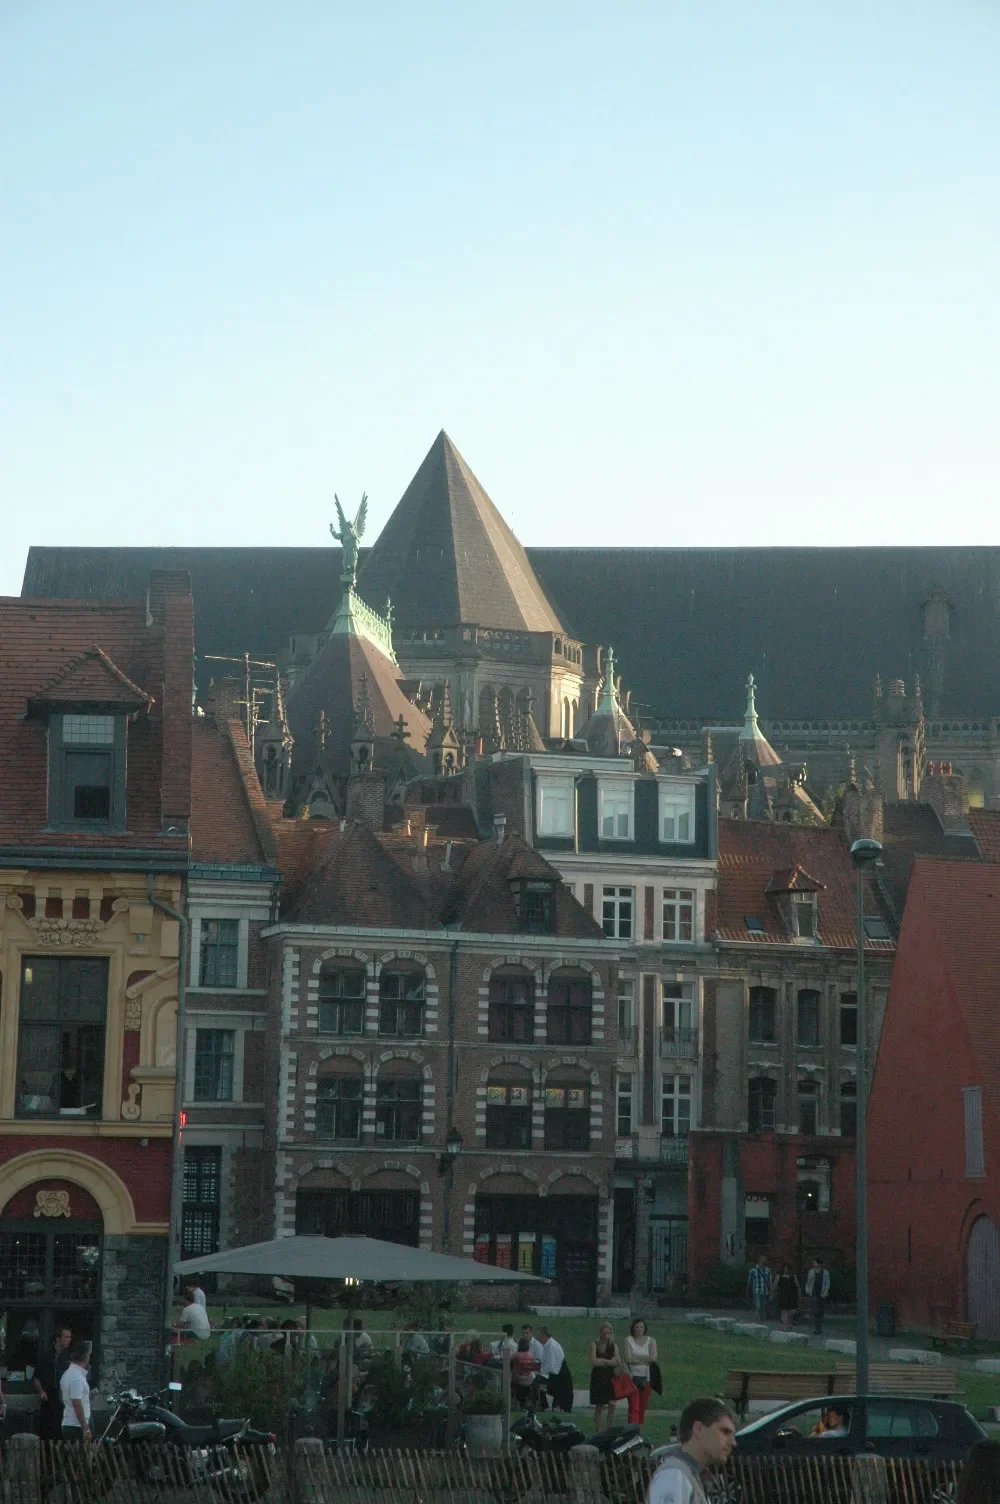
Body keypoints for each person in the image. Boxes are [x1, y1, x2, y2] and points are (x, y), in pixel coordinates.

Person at [647, 1397, 737, 1504]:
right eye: (725, 1432)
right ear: (699, 1429)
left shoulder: (689, 1474)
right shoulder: (674, 1476)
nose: (733, 1442)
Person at [34, 1325, 73, 1440]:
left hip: (64, 1398)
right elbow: (36, 1377)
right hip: (48, 1398)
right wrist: (41, 1392)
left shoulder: (69, 1357)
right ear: (58, 1338)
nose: (69, 1340)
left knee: (61, 1429)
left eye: (70, 1337)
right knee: (47, 1428)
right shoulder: (46, 1356)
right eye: (66, 1337)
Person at [623, 1317, 658, 1425]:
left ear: (645, 1328)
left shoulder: (651, 1340)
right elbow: (628, 1359)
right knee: (633, 1407)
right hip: (633, 1377)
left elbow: (652, 1358)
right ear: (633, 1328)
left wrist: (635, 1357)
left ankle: (639, 1429)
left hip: (646, 1378)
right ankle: (631, 1429)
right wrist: (645, 1359)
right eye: (637, 1327)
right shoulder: (628, 1340)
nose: (639, 1329)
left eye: (641, 1327)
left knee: (642, 1406)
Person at [589, 1320, 622, 1432]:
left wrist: (604, 1361)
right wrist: (608, 1361)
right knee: (599, 1406)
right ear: (600, 1333)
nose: (606, 1336)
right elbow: (594, 1361)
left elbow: (617, 1362)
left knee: (612, 1404)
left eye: (608, 1333)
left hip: (610, 1377)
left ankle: (609, 1429)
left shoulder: (614, 1346)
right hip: (598, 1377)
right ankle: (598, 1429)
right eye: (604, 1333)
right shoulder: (595, 1344)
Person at [60, 1341, 93, 1443]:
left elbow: (61, 1397)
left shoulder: (68, 1373)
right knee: (81, 1457)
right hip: (76, 1426)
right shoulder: (76, 1377)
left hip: (70, 1423)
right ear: (86, 1356)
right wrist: (85, 1427)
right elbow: (77, 1404)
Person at [538, 1325, 574, 1413]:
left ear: (544, 1335)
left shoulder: (552, 1346)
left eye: (540, 1335)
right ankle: (544, 1406)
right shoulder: (547, 1345)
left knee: (537, 1383)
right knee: (538, 1383)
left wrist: (541, 1372)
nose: (539, 1337)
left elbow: (552, 1366)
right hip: (555, 1374)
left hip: (559, 1375)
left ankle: (545, 1406)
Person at [804, 1256, 831, 1334]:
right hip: (814, 1293)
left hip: (822, 1293)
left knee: (821, 1311)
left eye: (815, 1262)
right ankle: (816, 1327)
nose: (813, 1264)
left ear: (819, 1263)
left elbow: (827, 1283)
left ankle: (819, 1327)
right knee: (815, 1310)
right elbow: (808, 1282)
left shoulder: (825, 1272)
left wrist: (826, 1291)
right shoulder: (811, 1272)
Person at [511, 1336, 540, 1406]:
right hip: (529, 1380)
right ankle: (535, 1400)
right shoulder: (531, 1356)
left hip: (517, 1380)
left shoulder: (516, 1355)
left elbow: (509, 1363)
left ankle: (511, 1399)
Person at [746, 1255, 772, 1322]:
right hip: (757, 1291)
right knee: (758, 1306)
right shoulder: (753, 1271)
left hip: (765, 1290)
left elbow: (769, 1281)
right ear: (759, 1260)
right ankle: (759, 1320)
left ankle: (762, 1319)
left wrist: (770, 1291)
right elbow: (750, 1282)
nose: (764, 1261)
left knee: (763, 1306)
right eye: (763, 1259)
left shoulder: (767, 1270)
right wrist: (748, 1291)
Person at [774, 1264, 800, 1329]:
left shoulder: (793, 1276)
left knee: (793, 1310)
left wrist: (799, 1295)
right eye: (785, 1268)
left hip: (792, 1296)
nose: (786, 1270)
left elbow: (798, 1286)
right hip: (783, 1295)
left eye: (787, 1268)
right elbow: (775, 1285)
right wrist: (775, 1293)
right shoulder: (779, 1276)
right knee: (784, 1310)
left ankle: (788, 1323)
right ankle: (786, 1325)